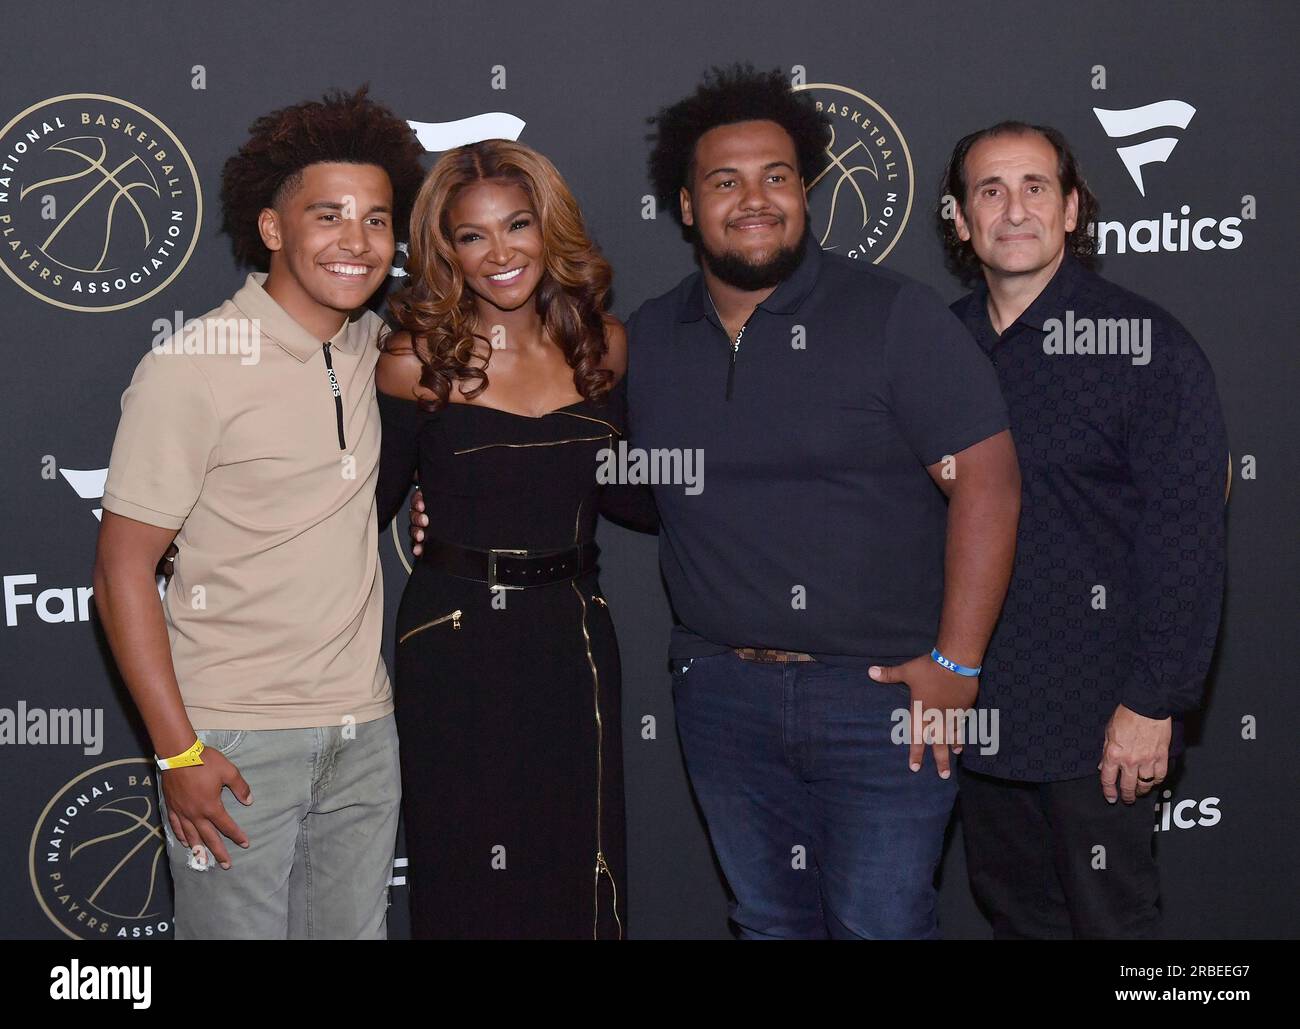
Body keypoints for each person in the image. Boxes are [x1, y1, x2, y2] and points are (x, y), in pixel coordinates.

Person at [414, 64, 1022, 939]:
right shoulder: (647, 339)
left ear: (806, 193)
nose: (755, 199)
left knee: (881, 923)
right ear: (687, 206)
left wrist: (958, 667)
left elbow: (989, 484)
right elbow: (598, 470)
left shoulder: (893, 315)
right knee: (769, 920)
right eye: (725, 181)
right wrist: (459, 511)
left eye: (776, 177)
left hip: (882, 695)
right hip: (721, 692)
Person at [92, 86, 426, 940]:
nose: (356, 241)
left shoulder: (371, 347)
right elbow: (122, 569)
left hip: (365, 729)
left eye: (378, 219)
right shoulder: (193, 366)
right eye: (328, 215)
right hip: (232, 739)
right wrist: (177, 751)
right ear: (273, 229)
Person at [939, 121, 1229, 939]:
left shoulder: (1147, 349)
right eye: (990, 191)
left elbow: (1187, 536)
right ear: (959, 219)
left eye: (1036, 187)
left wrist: (1153, 699)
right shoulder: (936, 348)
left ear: (1073, 209)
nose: (1015, 209)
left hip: (1102, 722)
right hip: (979, 718)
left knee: (1114, 928)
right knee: (1017, 921)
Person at [375, 139, 654, 939]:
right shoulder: (415, 361)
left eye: (518, 225)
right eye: (473, 235)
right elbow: (362, 508)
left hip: (572, 635)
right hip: (453, 640)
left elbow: (637, 500)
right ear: (446, 250)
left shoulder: (604, 347)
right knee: (462, 863)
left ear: (549, 229)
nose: (500, 253)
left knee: (580, 859)